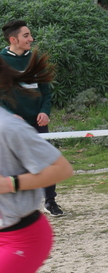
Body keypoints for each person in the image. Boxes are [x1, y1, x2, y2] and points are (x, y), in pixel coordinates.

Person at [0, 51, 95, 273]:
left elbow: (62, 168)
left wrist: (10, 184)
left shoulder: (9, 128)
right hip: (5, 237)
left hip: (24, 238)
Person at [1, 20, 63, 216]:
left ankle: (50, 201)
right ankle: (14, 208)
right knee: (11, 164)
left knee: (46, 161)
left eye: (30, 35)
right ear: (13, 39)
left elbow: (46, 92)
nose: (31, 39)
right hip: (11, 125)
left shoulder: (35, 60)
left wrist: (45, 111)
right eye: (26, 35)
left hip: (37, 122)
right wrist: (10, 116)